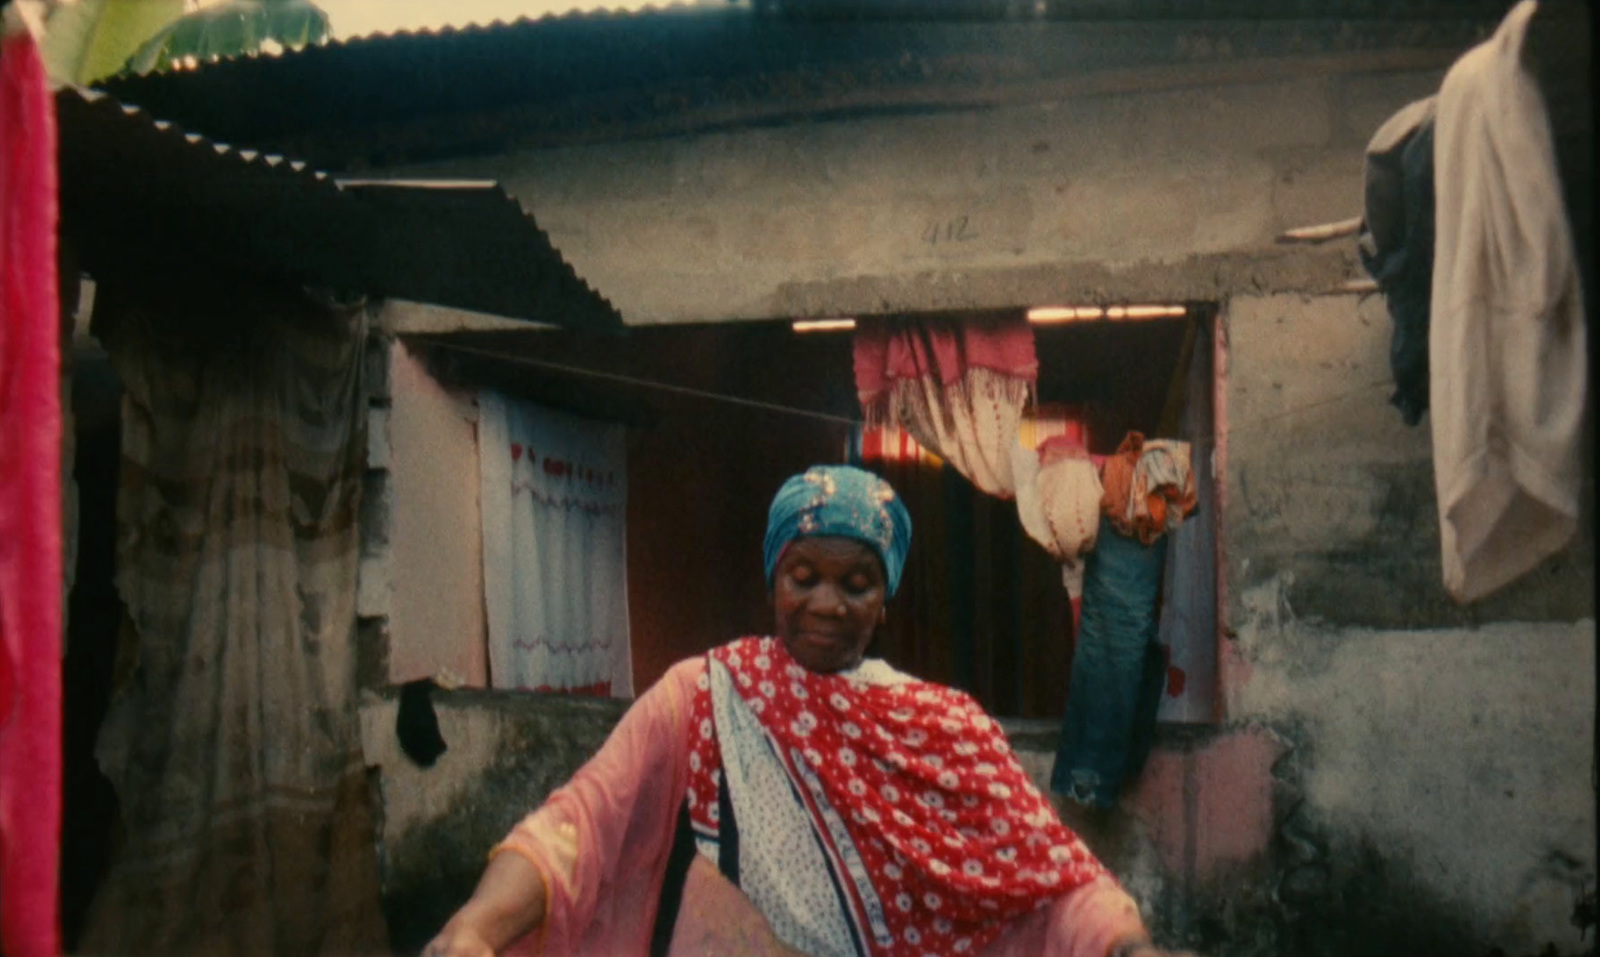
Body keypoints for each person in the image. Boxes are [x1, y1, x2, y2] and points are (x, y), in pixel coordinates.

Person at [425, 465, 1195, 957]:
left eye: (856, 582)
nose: (827, 603)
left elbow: (1051, 882)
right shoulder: (704, 695)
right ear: (772, 580)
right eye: (804, 574)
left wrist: (1129, 949)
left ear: (885, 600)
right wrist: (478, 927)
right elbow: (581, 822)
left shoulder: (947, 729)